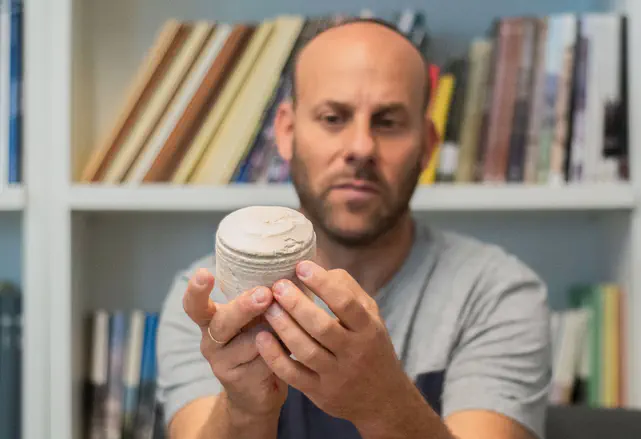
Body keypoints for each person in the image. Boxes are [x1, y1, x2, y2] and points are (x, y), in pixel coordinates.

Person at [156, 17, 552, 439]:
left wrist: (384, 403)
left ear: (427, 146)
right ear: (287, 132)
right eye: (333, 118)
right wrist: (245, 410)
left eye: (388, 122)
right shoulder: (213, 301)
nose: (361, 147)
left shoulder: (496, 294)